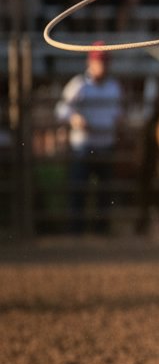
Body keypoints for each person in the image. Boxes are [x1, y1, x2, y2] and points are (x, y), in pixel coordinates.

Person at [55, 47, 124, 234]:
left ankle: (101, 231)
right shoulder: (79, 85)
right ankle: (75, 232)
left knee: (105, 192)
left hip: (106, 144)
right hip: (83, 146)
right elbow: (61, 109)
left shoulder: (114, 86)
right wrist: (74, 118)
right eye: (100, 62)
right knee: (79, 190)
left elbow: (118, 112)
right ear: (90, 63)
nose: (103, 66)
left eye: (105, 62)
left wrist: (119, 120)